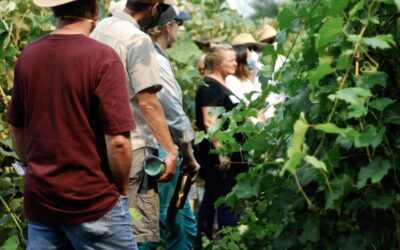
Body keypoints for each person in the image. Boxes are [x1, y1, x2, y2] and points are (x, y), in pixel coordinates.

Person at [7, 0, 136, 249]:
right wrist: (120, 189)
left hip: (42, 201)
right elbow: (118, 142)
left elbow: (17, 129)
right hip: (92, 202)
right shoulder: (102, 57)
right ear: (94, 12)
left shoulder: (29, 55)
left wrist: (34, 169)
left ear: (54, 10)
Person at [90, 0, 179, 247]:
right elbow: (148, 102)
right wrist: (170, 151)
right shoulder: (138, 40)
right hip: (132, 148)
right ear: (154, 9)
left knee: (107, 230)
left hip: (99, 144)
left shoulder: (101, 27)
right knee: (135, 231)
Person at [146, 6, 200, 249]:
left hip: (153, 148)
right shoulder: (154, 59)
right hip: (163, 149)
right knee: (174, 224)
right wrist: (188, 153)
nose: (179, 29)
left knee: (163, 223)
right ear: (168, 26)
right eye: (179, 24)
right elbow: (172, 112)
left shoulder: (147, 54)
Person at [195, 45, 247, 242]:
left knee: (212, 199)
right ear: (217, 64)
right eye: (231, 60)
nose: (236, 63)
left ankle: (203, 241)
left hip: (230, 158)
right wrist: (222, 152)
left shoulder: (220, 85)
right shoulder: (210, 87)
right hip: (220, 159)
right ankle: (229, 242)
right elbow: (211, 121)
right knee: (225, 201)